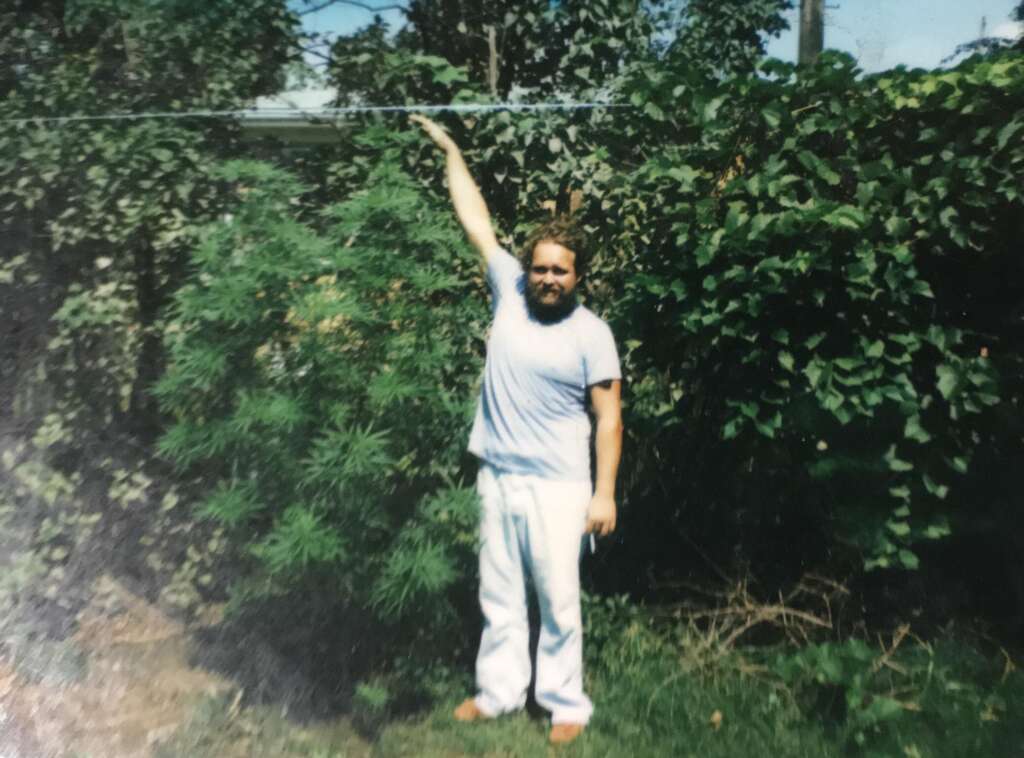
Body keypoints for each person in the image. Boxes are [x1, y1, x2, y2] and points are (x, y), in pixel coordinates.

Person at [411, 114, 623, 746]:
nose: (547, 279)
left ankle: (565, 703)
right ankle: (498, 692)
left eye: (560, 271)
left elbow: (609, 417)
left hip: (558, 486)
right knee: (498, 592)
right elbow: (473, 218)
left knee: (558, 599)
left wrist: (604, 493)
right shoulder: (507, 289)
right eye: (540, 268)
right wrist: (451, 149)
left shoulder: (593, 334)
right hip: (497, 474)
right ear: (527, 269)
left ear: (578, 275)